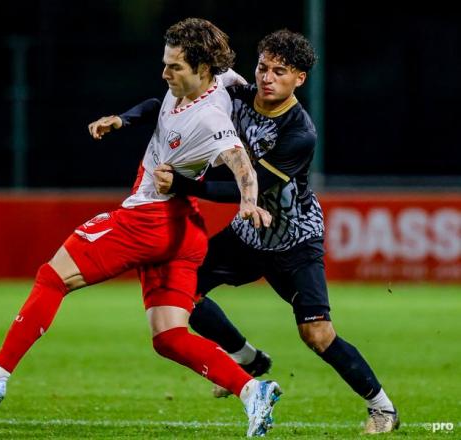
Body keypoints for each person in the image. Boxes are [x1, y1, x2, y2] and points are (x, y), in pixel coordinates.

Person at [0, 18, 282, 437]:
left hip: (148, 219)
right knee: (169, 336)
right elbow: (155, 107)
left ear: (201, 68)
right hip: (181, 229)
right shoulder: (216, 80)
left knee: (53, 276)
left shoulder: (212, 117)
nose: (165, 73)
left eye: (174, 67)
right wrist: (122, 120)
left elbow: (239, 160)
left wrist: (249, 201)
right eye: (166, 63)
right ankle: (253, 391)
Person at [151, 29, 399, 434]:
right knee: (180, 292)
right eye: (263, 67)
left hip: (293, 240)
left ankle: (382, 407)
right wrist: (127, 118)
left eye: (279, 71)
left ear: (299, 78)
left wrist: (181, 184)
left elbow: (247, 189)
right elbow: (174, 104)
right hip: (249, 235)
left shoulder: (299, 133)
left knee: (317, 335)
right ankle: (247, 358)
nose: (267, 77)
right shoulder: (236, 96)